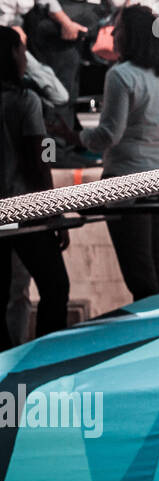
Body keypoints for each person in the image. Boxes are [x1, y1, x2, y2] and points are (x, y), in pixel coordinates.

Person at [74, 6, 159, 301]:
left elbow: (108, 135)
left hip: (125, 183)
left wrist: (76, 137)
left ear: (130, 35)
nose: (113, 34)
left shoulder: (120, 76)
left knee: (139, 274)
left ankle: (150, 333)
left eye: (117, 28)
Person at [0, 26, 70, 348]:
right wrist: (54, 211)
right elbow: (40, 158)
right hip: (24, 208)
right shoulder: (24, 100)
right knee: (55, 286)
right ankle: (44, 358)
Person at [28, 0, 100, 159]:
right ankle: (57, 150)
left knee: (68, 90)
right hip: (56, 38)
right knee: (60, 92)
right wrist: (66, 22)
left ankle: (63, 145)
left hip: (66, 39)